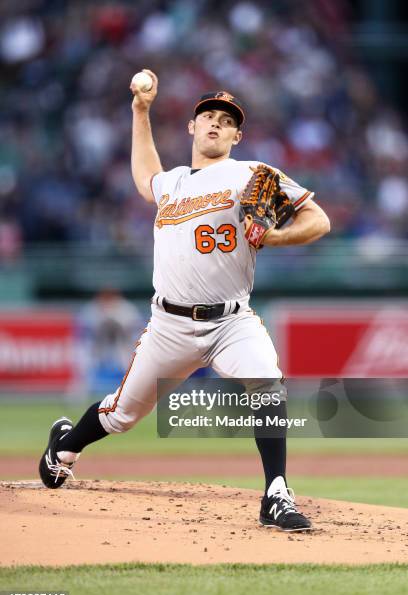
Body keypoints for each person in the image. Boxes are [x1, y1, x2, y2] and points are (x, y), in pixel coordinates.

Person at [39, 70, 330, 531]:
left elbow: (319, 220)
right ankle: (64, 446)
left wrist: (274, 237)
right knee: (123, 414)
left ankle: (276, 493)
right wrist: (140, 111)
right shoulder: (171, 183)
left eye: (226, 120)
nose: (215, 123)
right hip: (169, 325)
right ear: (192, 128)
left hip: (232, 319)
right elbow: (144, 176)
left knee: (267, 383)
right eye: (207, 116)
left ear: (238, 135)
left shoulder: (253, 173)